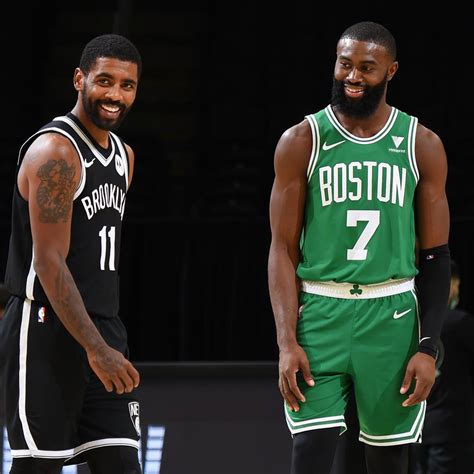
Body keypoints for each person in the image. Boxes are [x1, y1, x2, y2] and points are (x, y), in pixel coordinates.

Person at [268, 21, 451, 474]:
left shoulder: (421, 144)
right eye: (344, 64)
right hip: (320, 310)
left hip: (391, 313)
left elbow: (436, 256)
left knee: (387, 459)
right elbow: (282, 249)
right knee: (309, 453)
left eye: (366, 68)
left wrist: (428, 347)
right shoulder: (302, 140)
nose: (352, 76)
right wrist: (286, 342)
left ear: (391, 71)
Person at [0, 34, 143, 473]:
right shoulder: (56, 152)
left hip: (104, 329)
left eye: (127, 85)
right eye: (105, 81)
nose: (115, 95)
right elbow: (48, 262)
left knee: (122, 463)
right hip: (45, 330)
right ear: (80, 80)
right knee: (39, 467)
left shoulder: (124, 157)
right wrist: (95, 348)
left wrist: (103, 343)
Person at [410, 259, 474, 474]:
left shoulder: (409, 324)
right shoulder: (461, 322)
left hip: (413, 427)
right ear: (451, 283)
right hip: (452, 429)